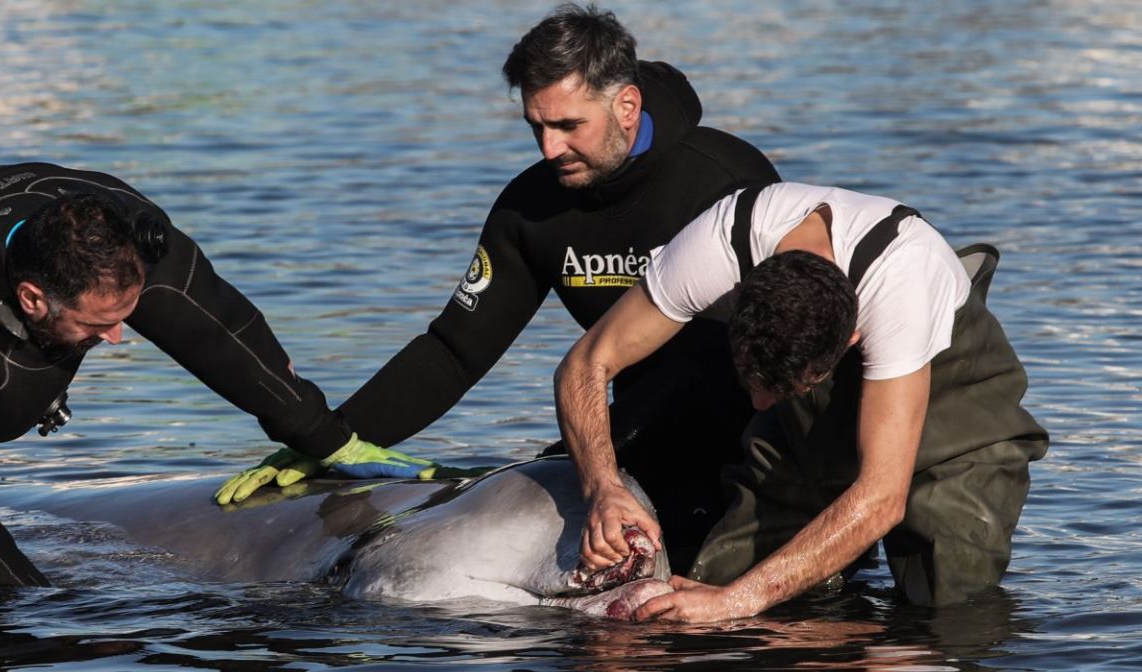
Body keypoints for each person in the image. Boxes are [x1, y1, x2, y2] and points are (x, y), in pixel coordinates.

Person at [219, 3, 780, 573]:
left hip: (757, 426)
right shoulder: (532, 208)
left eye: (567, 126)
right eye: (536, 126)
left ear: (627, 107)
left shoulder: (721, 179)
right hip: (634, 428)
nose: (548, 149)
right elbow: (454, 353)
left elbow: (793, 339)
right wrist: (330, 442)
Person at [0, 162, 454, 588]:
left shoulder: (118, 229)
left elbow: (221, 335)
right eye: (100, 324)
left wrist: (327, 439)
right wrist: (51, 619)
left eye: (126, 314)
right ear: (32, 299)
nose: (120, 338)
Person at [555, 181, 1049, 621]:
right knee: (704, 595)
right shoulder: (714, 249)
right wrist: (602, 485)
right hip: (808, 421)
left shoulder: (902, 285)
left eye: (778, 390)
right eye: (751, 381)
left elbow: (881, 499)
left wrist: (738, 601)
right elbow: (584, 366)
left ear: (851, 338)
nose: (759, 403)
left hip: (956, 416)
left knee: (946, 608)